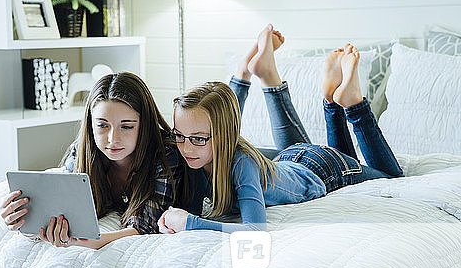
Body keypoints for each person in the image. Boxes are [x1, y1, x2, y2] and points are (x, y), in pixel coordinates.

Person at [158, 24, 403, 234]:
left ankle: (352, 105)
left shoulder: (243, 164)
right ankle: (325, 98)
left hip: (323, 170)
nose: (186, 147)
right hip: (289, 156)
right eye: (179, 136)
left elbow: (256, 231)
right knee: (349, 160)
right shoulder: (195, 157)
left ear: (223, 136)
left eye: (198, 139)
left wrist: (190, 223)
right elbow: (223, 118)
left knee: (392, 177)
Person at [0, 72, 183, 248]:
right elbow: (63, 211)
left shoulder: (166, 154)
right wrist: (27, 222)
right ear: (91, 124)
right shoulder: (81, 150)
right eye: (102, 125)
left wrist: (92, 241)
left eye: (126, 127)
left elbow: (145, 226)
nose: (112, 139)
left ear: (144, 126)